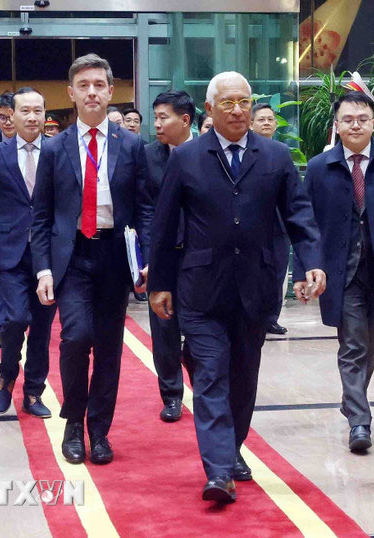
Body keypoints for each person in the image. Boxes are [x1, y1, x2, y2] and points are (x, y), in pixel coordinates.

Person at [148, 71, 325, 504]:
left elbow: (299, 217)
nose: (237, 110)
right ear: (209, 110)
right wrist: (160, 284)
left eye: (244, 101)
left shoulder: (277, 156)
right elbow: (165, 224)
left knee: (243, 381)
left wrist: (311, 264)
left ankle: (230, 450)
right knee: (210, 376)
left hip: (256, 288)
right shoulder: (186, 158)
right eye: (227, 102)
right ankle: (220, 472)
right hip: (202, 290)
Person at [31, 54, 153, 466]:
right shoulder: (55, 148)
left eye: (99, 85)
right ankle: (73, 423)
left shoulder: (132, 145)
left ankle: (99, 431)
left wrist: (147, 258)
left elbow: (145, 209)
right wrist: (44, 268)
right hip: (73, 257)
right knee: (75, 338)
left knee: (109, 348)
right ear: (71, 93)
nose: (92, 92)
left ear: (110, 91)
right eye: (83, 86)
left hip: (115, 256)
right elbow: (42, 216)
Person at [293, 91, 374, 452]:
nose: (356, 125)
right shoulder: (320, 167)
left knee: (372, 342)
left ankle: (352, 400)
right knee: (352, 344)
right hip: (341, 272)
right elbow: (303, 224)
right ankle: (359, 421)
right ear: (336, 126)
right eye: (348, 120)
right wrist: (303, 269)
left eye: (363, 119)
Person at [0, 87, 56, 418]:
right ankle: (8, 374)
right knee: (16, 318)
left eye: (38, 111)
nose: (33, 117)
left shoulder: (57, 152)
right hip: (9, 253)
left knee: (41, 326)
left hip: (48, 255)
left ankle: (34, 392)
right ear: (13, 114)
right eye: (26, 111)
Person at [144, 89, 195, 422]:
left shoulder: (207, 152)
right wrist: (149, 256)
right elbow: (145, 210)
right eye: (156, 117)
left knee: (200, 325)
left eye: (164, 117)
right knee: (163, 326)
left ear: (185, 120)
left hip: (199, 255)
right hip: (162, 255)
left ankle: (198, 374)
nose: (157, 124)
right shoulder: (148, 156)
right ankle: (172, 394)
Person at [250, 103, 290, 335]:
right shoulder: (246, 151)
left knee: (278, 273)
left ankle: (271, 318)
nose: (266, 123)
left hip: (280, 225)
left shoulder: (281, 152)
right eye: (261, 119)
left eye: (270, 119)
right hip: (256, 224)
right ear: (251, 124)